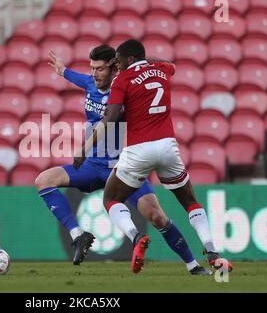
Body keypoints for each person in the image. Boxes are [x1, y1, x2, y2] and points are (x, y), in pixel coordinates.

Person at [35, 45, 210, 275]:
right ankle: (78, 236)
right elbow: (76, 77)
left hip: (121, 168)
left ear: (114, 67)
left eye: (99, 69)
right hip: (90, 167)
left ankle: (193, 265)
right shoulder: (90, 83)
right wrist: (62, 70)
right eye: (92, 68)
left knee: (157, 217)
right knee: (43, 180)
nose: (95, 74)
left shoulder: (125, 89)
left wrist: (143, 61)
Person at [75, 39, 232, 272]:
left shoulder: (122, 80)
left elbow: (110, 117)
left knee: (111, 199)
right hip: (168, 147)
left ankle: (135, 236)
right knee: (190, 201)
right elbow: (171, 65)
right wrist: (143, 62)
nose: (117, 66)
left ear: (129, 59)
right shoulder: (162, 70)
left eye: (119, 61)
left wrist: (85, 149)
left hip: (139, 149)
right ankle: (211, 251)